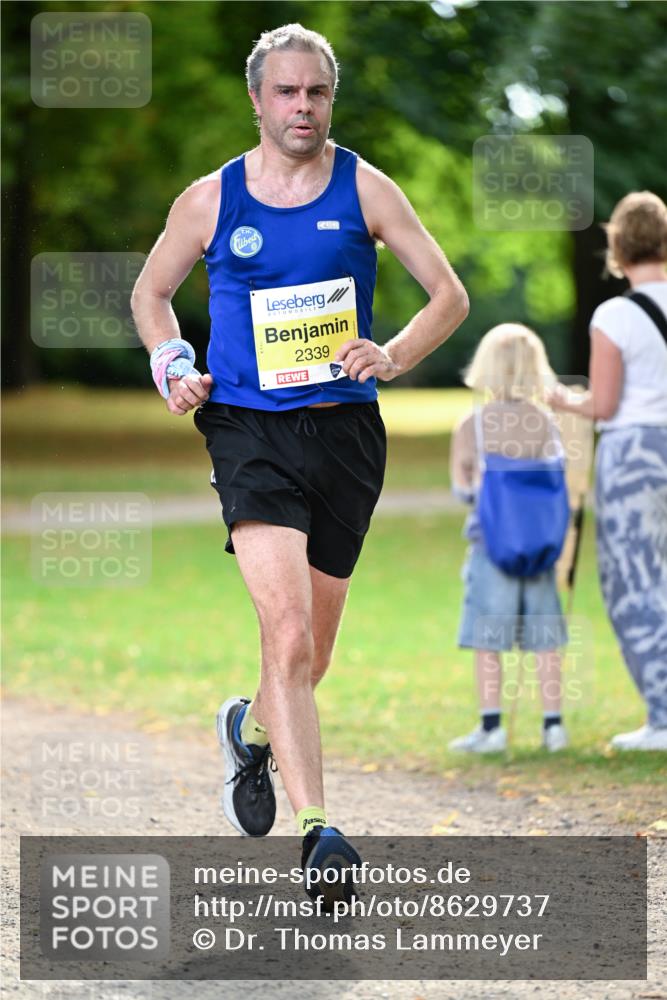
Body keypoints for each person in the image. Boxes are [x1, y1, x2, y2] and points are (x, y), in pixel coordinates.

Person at [130, 23, 469, 898]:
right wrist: (172, 363)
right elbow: (152, 293)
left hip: (347, 433)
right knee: (283, 632)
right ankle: (320, 830)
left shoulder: (366, 187)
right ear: (257, 99)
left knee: (310, 657)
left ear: (330, 98)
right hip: (247, 429)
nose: (302, 108)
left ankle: (250, 732)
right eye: (285, 91)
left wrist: (390, 354)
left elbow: (449, 295)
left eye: (315, 92)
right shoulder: (209, 200)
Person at [549, 191, 667, 752]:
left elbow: (604, 404)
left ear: (617, 245)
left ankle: (663, 716)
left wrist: (556, 398)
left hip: (634, 457)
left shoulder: (615, 315)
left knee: (635, 584)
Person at [449, 323, 569, 754]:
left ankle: (491, 727)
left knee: (488, 638)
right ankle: (553, 726)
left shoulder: (474, 425)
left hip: (491, 548)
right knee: (545, 638)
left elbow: (462, 489)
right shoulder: (545, 422)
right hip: (538, 549)